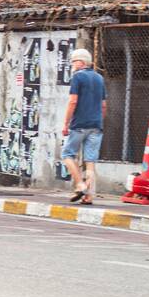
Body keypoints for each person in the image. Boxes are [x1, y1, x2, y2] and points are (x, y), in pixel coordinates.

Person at [61, 48, 107, 205]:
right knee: (90, 161)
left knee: (67, 155)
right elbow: (103, 105)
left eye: (73, 61)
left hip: (79, 124)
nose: (72, 65)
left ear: (80, 62)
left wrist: (66, 123)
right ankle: (89, 196)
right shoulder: (99, 78)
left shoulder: (78, 77)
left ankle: (80, 185)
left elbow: (73, 101)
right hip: (96, 125)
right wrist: (99, 122)